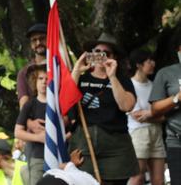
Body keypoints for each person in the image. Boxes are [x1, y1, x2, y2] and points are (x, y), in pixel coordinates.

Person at [69, 32, 138, 185]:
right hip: (84, 141)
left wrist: (112, 76)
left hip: (115, 144)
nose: (101, 56)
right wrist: (76, 70)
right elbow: (65, 102)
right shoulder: (81, 77)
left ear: (114, 57)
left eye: (106, 53)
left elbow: (126, 105)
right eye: (97, 52)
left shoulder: (122, 79)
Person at [126, 50, 165, 185]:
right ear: (138, 65)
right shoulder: (129, 85)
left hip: (157, 133)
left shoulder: (154, 85)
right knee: (138, 177)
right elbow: (137, 116)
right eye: (149, 61)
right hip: (138, 133)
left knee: (159, 181)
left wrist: (149, 114)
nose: (153, 64)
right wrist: (156, 114)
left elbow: (163, 115)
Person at [149, 42, 181, 185]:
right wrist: (176, 98)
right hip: (177, 141)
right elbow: (155, 110)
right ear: (179, 49)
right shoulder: (166, 73)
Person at [14, 64, 48, 185]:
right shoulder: (29, 105)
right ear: (35, 81)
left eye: (48, 79)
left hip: (58, 156)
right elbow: (18, 132)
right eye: (41, 78)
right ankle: (25, 172)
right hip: (37, 155)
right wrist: (38, 137)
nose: (44, 82)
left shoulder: (57, 104)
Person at [17, 23, 48, 108]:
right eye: (34, 40)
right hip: (36, 118)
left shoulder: (61, 66)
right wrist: (29, 121)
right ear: (31, 44)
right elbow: (24, 103)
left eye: (42, 38)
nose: (38, 43)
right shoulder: (24, 72)